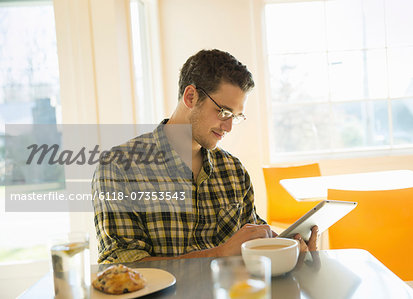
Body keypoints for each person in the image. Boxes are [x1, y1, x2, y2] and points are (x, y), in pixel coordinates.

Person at [92, 49, 318, 263]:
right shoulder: (119, 168)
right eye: (224, 112)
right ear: (190, 97)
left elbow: (256, 244)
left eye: (236, 117)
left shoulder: (233, 171)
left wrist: (290, 251)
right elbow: (122, 267)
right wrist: (219, 254)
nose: (228, 127)